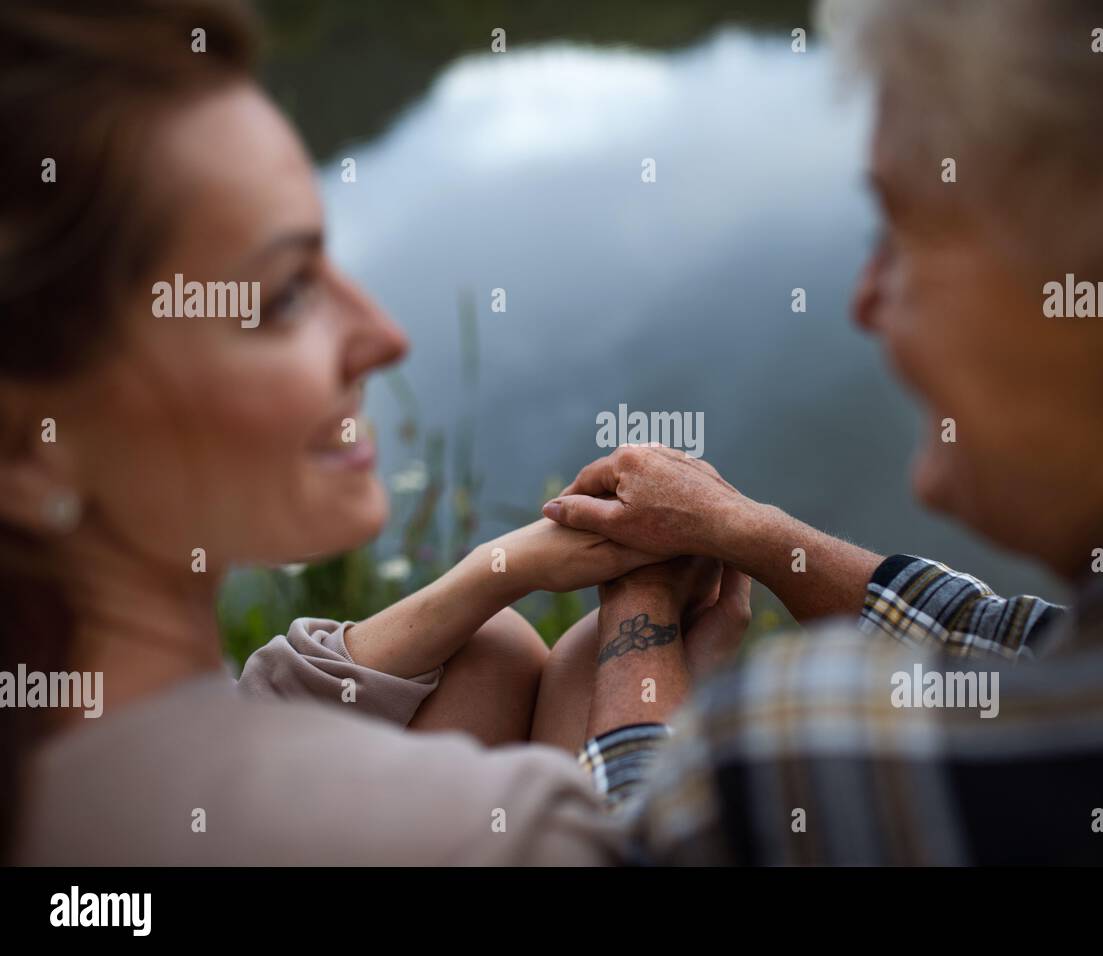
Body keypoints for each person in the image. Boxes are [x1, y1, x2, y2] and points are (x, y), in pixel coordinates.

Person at [544, 0, 1103, 864]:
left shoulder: (805, 761)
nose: (865, 301)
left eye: (900, 236)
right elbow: (1026, 642)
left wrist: (638, 602)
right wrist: (743, 532)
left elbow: (650, 835)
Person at [0, 0, 749, 865]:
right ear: (29, 449)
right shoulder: (459, 835)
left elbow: (248, 710)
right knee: (584, 663)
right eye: (281, 296)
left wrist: (499, 571)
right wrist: (642, 625)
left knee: (490, 642)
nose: (385, 336)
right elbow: (662, 850)